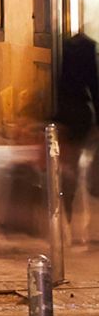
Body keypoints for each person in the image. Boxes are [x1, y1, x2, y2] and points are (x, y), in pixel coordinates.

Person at [57, 22, 99, 227]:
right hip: (81, 113)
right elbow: (93, 85)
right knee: (79, 159)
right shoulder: (88, 50)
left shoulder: (66, 49)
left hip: (66, 113)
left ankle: (67, 204)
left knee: (70, 161)